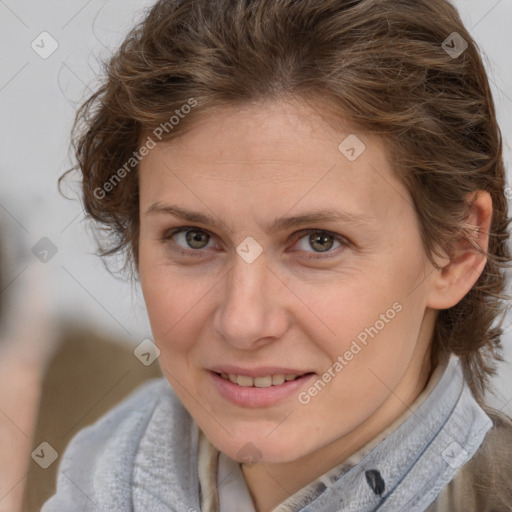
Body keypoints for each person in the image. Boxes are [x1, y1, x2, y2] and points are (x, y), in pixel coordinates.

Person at [42, 0, 512, 510]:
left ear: (457, 250)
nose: (243, 322)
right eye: (194, 237)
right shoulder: (95, 470)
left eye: (318, 242)